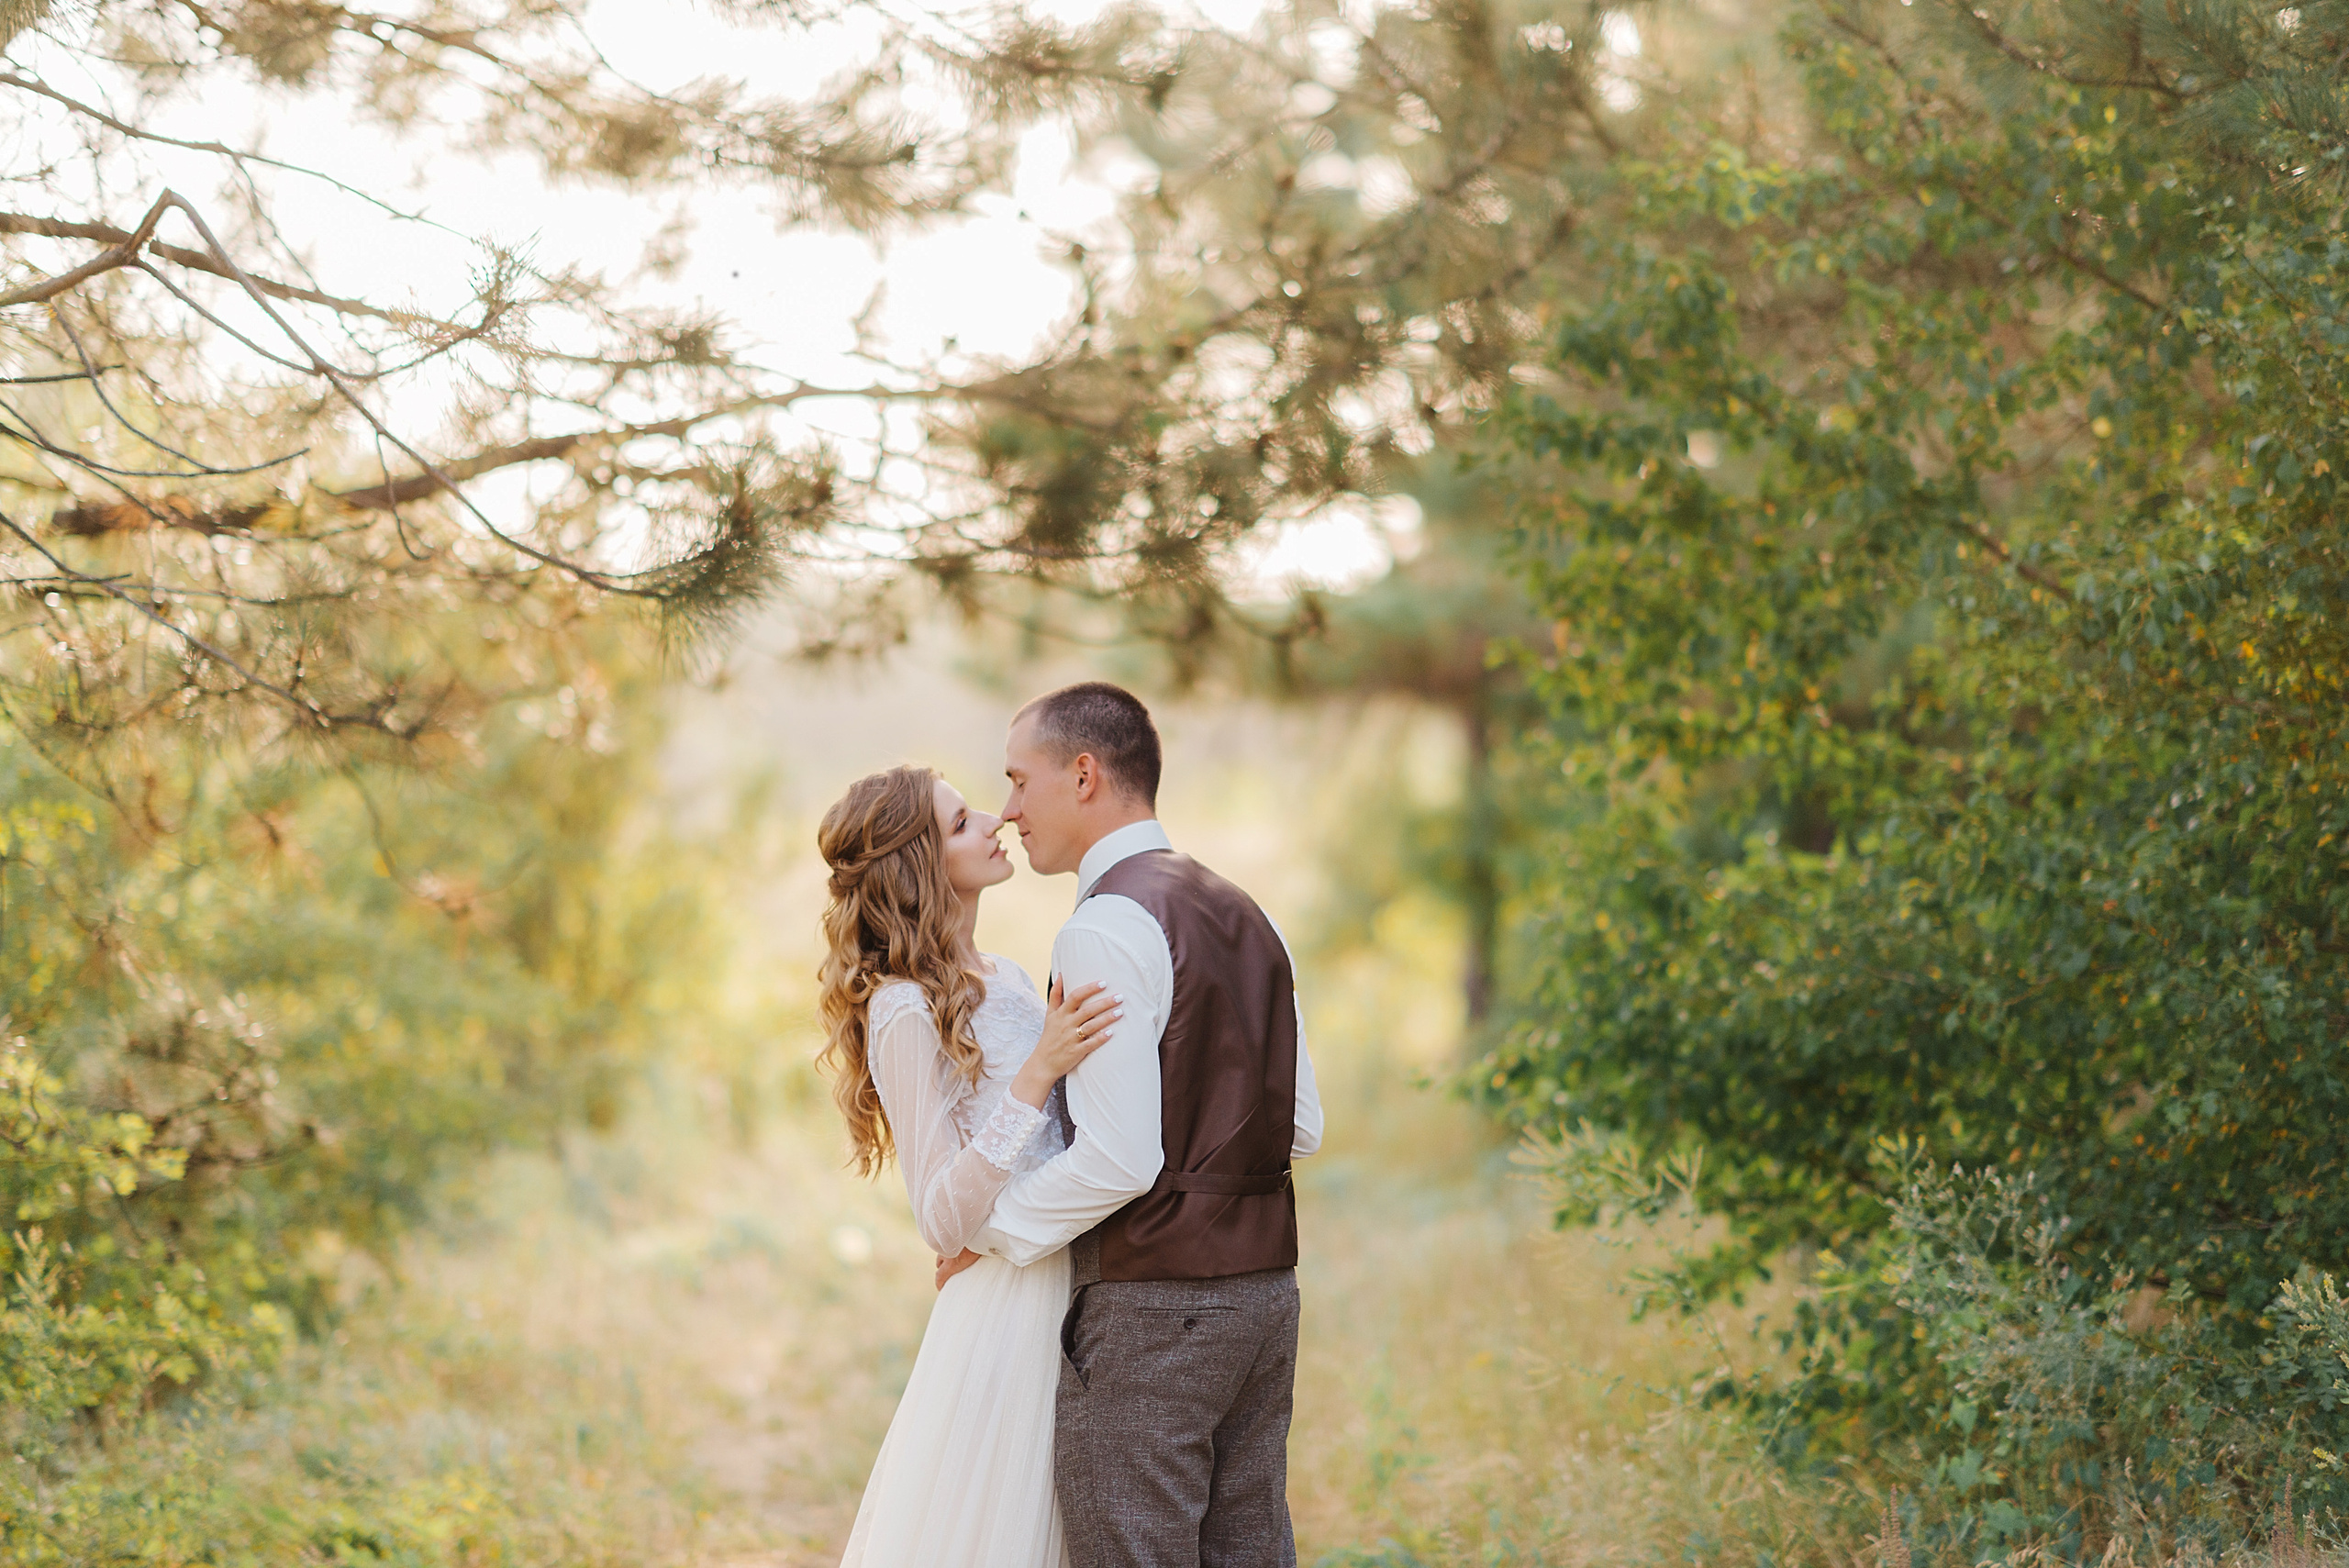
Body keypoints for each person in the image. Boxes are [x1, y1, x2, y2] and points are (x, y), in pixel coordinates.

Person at [945, 681, 1327, 1568]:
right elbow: (1299, 1124)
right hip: (1267, 1298)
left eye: (1018, 779)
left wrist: (992, 1231)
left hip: (1156, 1309)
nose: (1008, 810)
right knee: (1250, 1550)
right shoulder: (1248, 912)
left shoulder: (1104, 927)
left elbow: (1119, 1159)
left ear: (1083, 774)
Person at [817, 763, 1123, 1568]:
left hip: (1079, 1284)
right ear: (918, 862)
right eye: (960, 823)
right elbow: (941, 1218)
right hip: (1007, 1307)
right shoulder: (903, 1007)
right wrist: (1038, 1072)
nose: (994, 820)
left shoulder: (1013, 978)